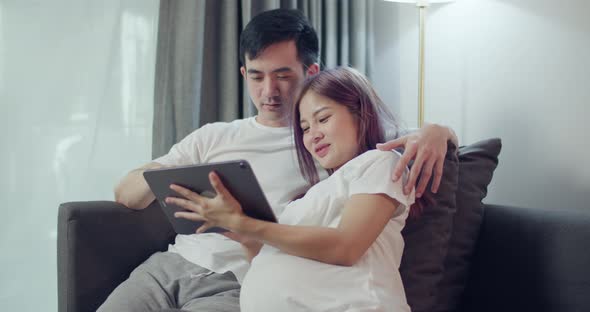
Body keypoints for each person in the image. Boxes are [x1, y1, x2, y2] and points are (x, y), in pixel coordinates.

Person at [99, 9, 457, 312]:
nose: (268, 91)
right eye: (256, 76)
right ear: (244, 75)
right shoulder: (213, 136)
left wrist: (438, 131)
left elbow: (401, 140)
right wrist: (168, 173)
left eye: (283, 75)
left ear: (311, 72)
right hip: (172, 264)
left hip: (236, 279)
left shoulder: (333, 144)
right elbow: (127, 195)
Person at [170, 66, 415, 311]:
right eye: (306, 128)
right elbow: (267, 261)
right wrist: (246, 238)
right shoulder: (308, 199)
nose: (313, 135)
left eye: (323, 119)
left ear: (360, 113)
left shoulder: (381, 162)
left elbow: (346, 247)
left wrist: (245, 224)